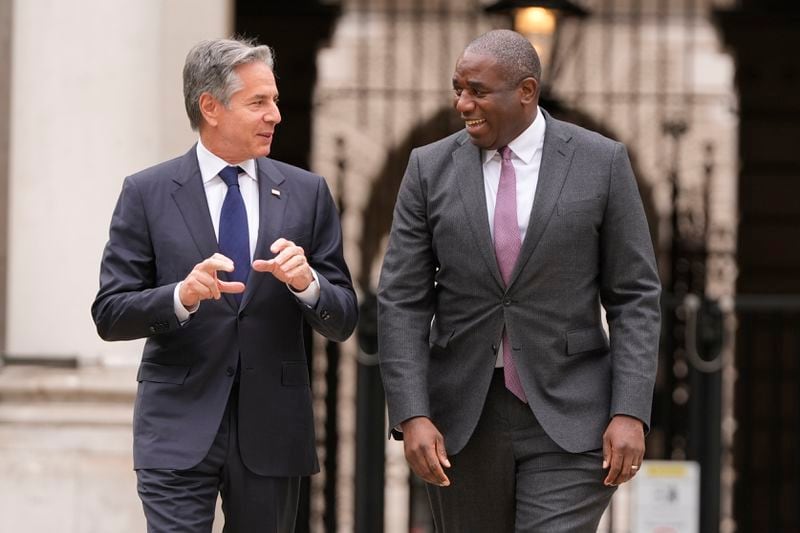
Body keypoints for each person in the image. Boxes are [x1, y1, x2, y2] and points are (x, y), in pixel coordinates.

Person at [377, 29, 660, 532]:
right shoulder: (428, 168)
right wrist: (411, 413)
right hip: (461, 421)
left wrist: (631, 410)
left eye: (478, 91)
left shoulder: (602, 163)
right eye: (458, 89)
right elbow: (402, 300)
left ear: (526, 91)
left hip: (572, 418)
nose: (464, 104)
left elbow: (634, 296)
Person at [91, 37, 357, 532]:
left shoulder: (307, 193)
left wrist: (309, 285)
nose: (275, 115)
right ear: (210, 107)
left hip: (274, 431)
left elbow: (344, 318)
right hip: (176, 427)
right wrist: (180, 296)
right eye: (259, 102)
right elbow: (109, 312)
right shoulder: (146, 193)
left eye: (274, 100)